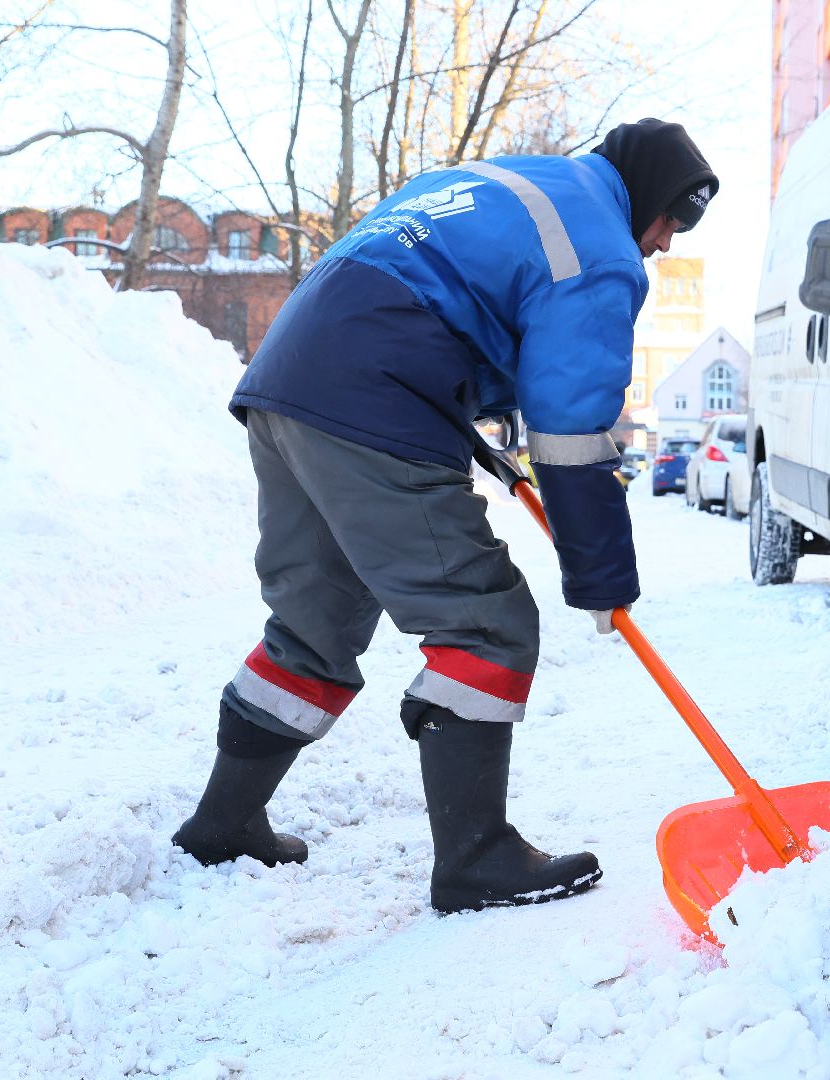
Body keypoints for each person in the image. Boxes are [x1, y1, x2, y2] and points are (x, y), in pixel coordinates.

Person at [172, 119, 719, 914]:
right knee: (484, 620)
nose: (666, 243)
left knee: (313, 623)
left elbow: (431, 289)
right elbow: (571, 429)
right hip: (373, 394)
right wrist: (601, 573)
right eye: (675, 218)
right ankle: (475, 857)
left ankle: (222, 823)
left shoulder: (510, 182)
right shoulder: (597, 247)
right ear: (645, 195)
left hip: (288, 381)